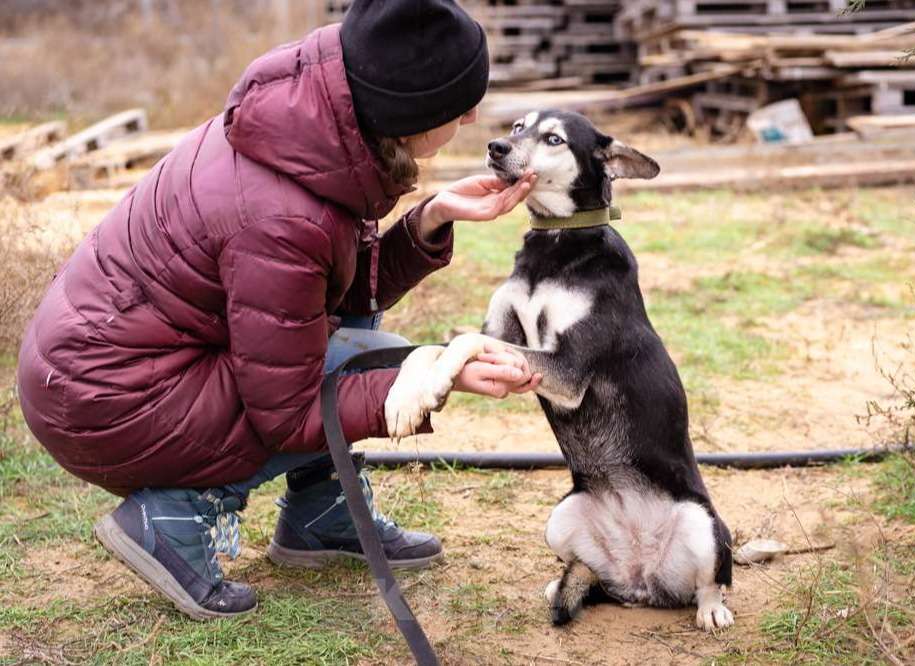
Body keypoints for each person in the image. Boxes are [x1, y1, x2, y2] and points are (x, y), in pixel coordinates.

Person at [16, 0, 540, 620]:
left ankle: (320, 514)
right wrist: (427, 378)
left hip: (113, 366)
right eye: (460, 105)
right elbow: (288, 412)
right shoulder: (285, 213)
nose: (474, 115)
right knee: (369, 361)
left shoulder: (310, 120)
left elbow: (329, 294)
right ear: (409, 114)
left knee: (361, 343)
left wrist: (431, 218)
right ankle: (173, 520)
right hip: (108, 400)